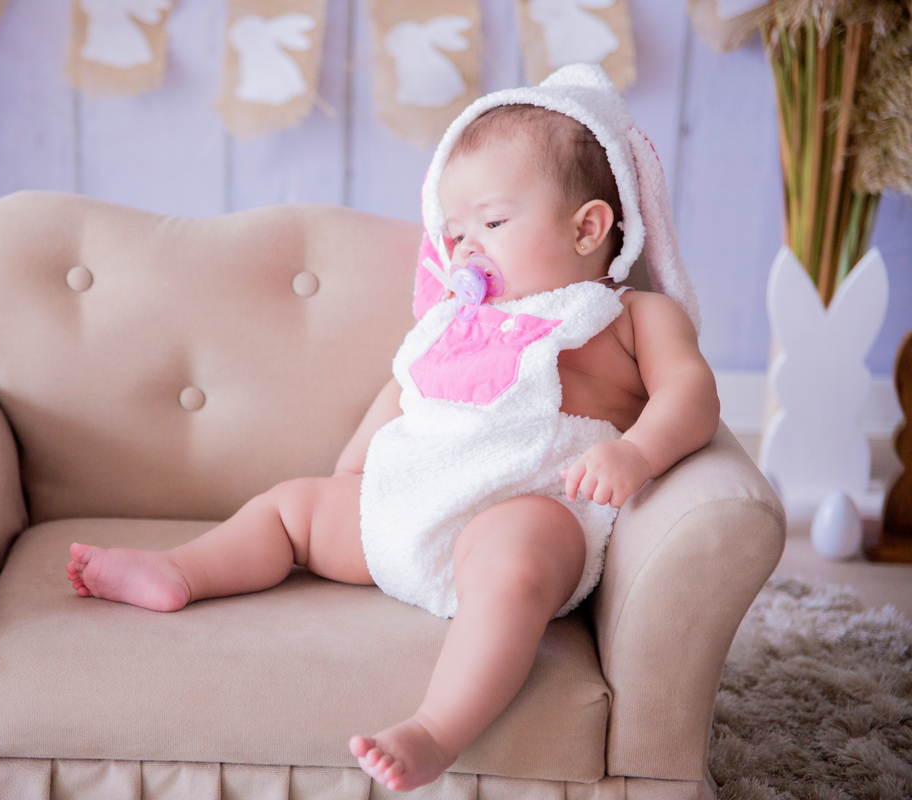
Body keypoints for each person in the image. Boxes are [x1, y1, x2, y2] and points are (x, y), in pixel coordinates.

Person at [65, 65, 721, 793]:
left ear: (589, 226)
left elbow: (692, 396)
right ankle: (182, 570)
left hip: (527, 509)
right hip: (405, 510)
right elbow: (406, 391)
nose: (467, 248)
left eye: (493, 223)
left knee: (516, 563)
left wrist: (636, 451)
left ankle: (437, 728)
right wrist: (353, 472)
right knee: (293, 506)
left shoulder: (628, 317)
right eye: (456, 233)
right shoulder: (454, 323)